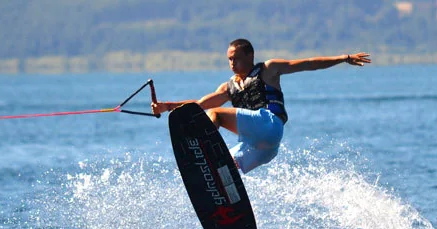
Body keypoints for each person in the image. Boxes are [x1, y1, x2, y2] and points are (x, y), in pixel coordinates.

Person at [152, 38, 372, 173]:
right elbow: (199, 105)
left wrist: (344, 57)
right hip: (262, 148)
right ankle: (225, 194)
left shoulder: (268, 69)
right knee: (224, 166)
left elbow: (308, 64)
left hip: (269, 125)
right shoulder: (229, 86)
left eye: (236, 58)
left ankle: (203, 151)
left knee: (216, 115)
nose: (232, 63)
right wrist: (167, 106)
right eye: (229, 59)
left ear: (250, 55)